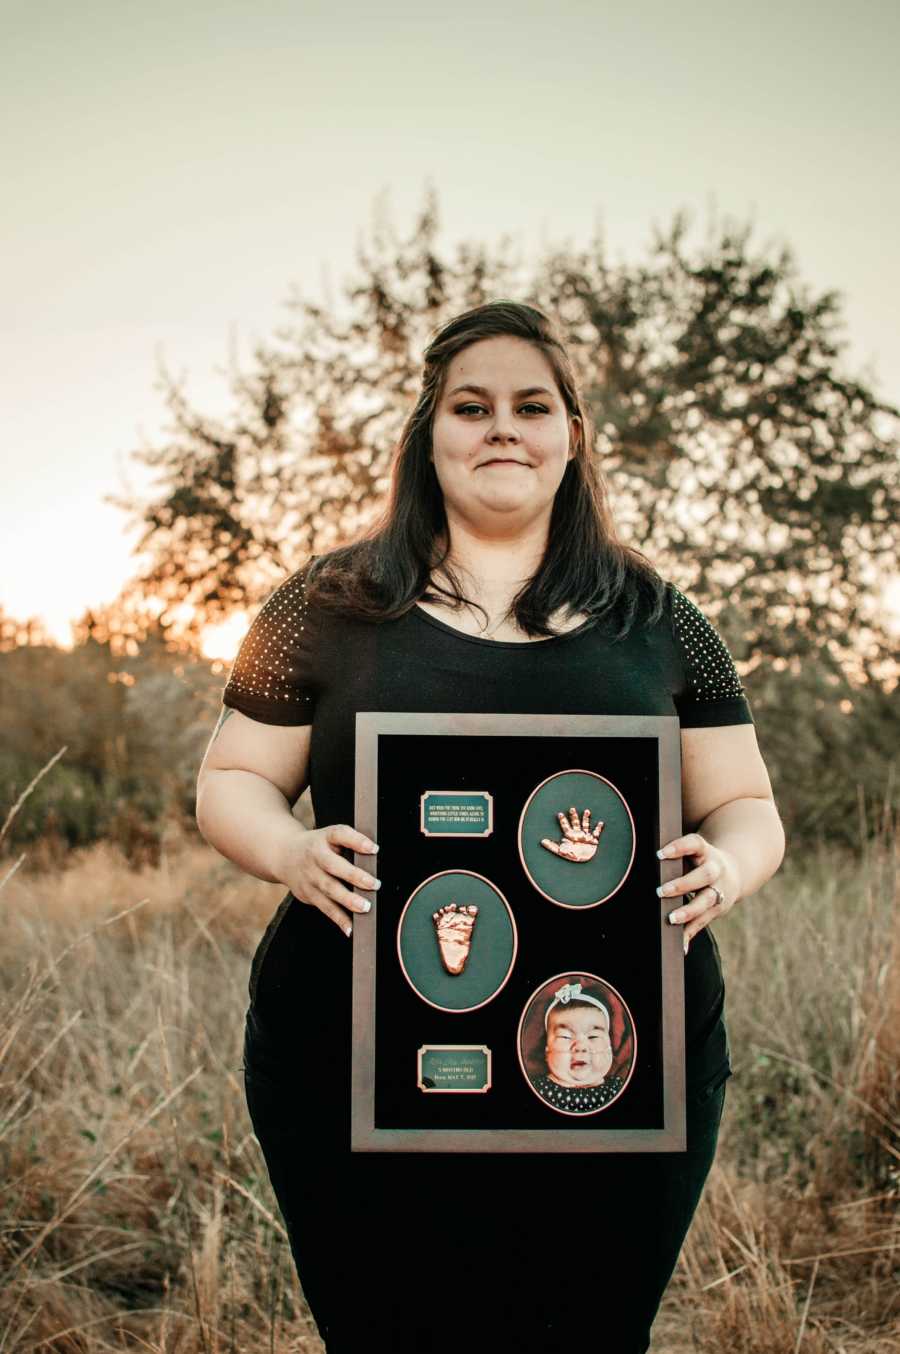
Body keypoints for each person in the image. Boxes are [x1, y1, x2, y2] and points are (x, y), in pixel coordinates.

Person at [196, 299, 785, 1352]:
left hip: (620, 1069)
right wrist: (289, 849)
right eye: (471, 406)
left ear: (572, 435)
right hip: (354, 1062)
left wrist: (730, 866)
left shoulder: (658, 617)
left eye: (531, 405)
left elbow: (747, 803)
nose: (501, 427)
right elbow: (233, 778)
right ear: (430, 432)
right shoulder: (323, 604)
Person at [529, 981, 626, 1114]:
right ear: (547, 1051)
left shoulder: (619, 1088)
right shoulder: (536, 1089)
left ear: (609, 1048)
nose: (580, 1047)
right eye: (565, 1037)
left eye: (593, 1037)